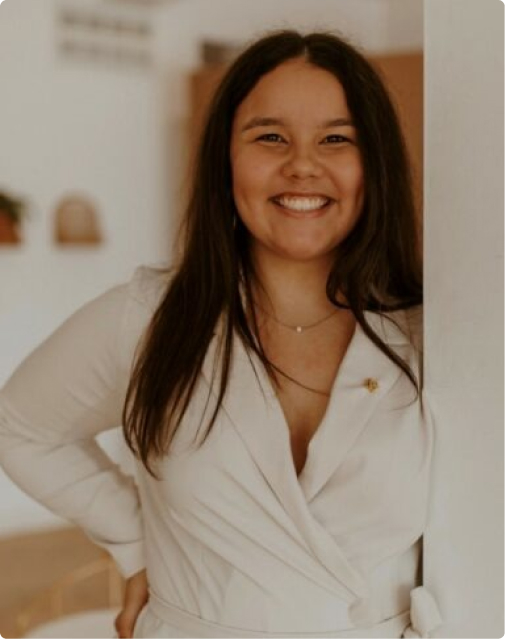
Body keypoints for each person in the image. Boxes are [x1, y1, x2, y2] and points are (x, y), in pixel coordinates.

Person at [0, 30, 443, 638]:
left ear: (376, 164)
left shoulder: (436, 334)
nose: (302, 164)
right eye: (270, 137)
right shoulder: (150, 317)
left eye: (337, 138)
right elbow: (19, 426)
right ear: (225, 160)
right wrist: (135, 542)